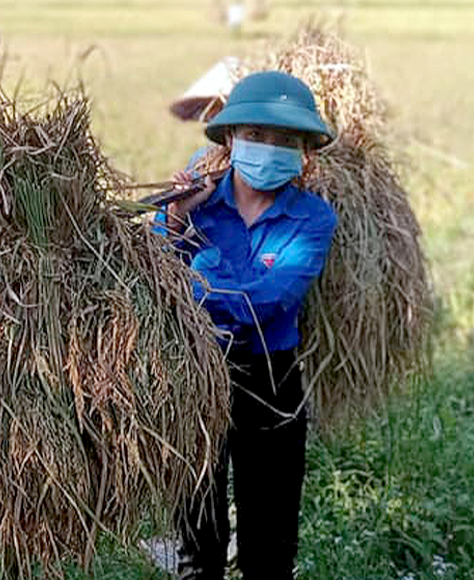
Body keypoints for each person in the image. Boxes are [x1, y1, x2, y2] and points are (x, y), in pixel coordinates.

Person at [157, 71, 337, 580]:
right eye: (256, 135)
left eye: (285, 141)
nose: (268, 148)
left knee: (270, 546)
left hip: (270, 380)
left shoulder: (313, 218)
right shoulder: (190, 203)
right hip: (194, 370)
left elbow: (267, 302)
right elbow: (152, 282)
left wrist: (198, 266)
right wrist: (173, 222)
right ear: (230, 138)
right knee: (198, 545)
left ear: (305, 151)